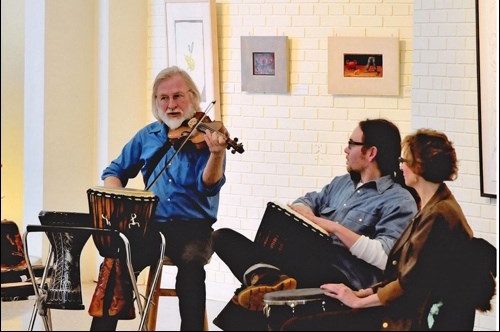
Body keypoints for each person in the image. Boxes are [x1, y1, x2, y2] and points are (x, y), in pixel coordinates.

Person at [281, 129, 496, 331]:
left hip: (406, 318)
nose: (400, 166)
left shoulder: (438, 215)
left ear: (419, 167)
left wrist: (357, 301)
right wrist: (363, 293)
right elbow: (403, 272)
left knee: (295, 327)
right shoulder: (435, 205)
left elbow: (409, 284)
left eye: (405, 161)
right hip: (402, 307)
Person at [212, 119, 418, 329]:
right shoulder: (341, 184)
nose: (346, 150)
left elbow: (387, 257)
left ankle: (267, 281)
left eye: (351, 143)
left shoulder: (398, 200)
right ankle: (270, 280)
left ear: (370, 153)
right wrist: (309, 216)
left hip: (341, 276)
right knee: (222, 237)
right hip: (304, 262)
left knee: (288, 265)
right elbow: (304, 202)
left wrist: (334, 228)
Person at [89, 66, 230, 331]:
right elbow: (114, 172)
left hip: (194, 228)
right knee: (117, 262)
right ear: (156, 102)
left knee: (191, 268)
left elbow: (209, 186)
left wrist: (217, 155)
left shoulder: (208, 137)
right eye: (163, 98)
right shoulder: (147, 136)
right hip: (150, 225)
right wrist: (118, 199)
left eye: (178, 96)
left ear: (192, 97)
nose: (171, 104)